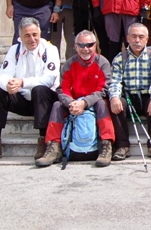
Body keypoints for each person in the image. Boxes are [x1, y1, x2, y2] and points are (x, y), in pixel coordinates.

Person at [0, 17, 60, 163]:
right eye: (27, 35)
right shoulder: (14, 50)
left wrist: (22, 82)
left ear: (40, 33)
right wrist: (9, 85)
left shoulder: (50, 50)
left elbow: (49, 79)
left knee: (39, 89)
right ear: (20, 37)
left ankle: (43, 141)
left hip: (45, 101)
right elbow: (3, 76)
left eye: (35, 34)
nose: (32, 39)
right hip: (23, 100)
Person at [35, 30, 114, 168]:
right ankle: (54, 147)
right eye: (81, 45)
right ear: (75, 46)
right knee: (57, 105)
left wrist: (84, 102)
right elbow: (62, 89)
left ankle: (106, 145)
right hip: (74, 102)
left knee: (103, 104)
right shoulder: (69, 64)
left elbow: (103, 89)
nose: (86, 49)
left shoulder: (102, 62)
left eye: (89, 45)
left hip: (94, 101)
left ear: (95, 46)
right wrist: (71, 103)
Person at [107, 23, 151, 161]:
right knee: (116, 104)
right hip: (129, 96)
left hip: (146, 95)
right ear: (127, 38)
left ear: (147, 39)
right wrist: (114, 97)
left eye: (141, 37)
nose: (137, 40)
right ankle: (122, 146)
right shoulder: (120, 58)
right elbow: (115, 81)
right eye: (133, 37)